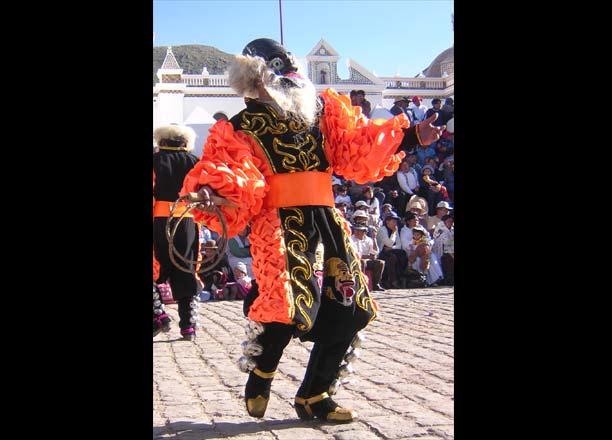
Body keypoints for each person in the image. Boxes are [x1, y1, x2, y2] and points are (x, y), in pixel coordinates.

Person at [181, 38, 444, 423]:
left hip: (326, 219)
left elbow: (355, 149)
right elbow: (234, 175)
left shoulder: (321, 114)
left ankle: (316, 394)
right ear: (256, 79)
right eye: (280, 72)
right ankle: (263, 368)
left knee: (350, 306)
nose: (292, 79)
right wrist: (210, 192)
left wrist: (407, 137)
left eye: (292, 71)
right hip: (281, 220)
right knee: (287, 304)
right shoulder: (239, 127)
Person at [153, 124, 202, 341]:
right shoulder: (196, 162)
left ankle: (158, 315)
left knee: (155, 267)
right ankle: (188, 326)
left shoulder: (154, 160)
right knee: (186, 268)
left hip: (158, 220)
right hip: (187, 222)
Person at [376, 211, 408, 289]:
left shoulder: (395, 230)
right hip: (381, 253)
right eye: (393, 221)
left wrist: (392, 248)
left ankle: (400, 277)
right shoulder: (382, 230)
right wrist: (393, 233)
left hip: (391, 251)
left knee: (403, 254)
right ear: (387, 221)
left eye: (396, 221)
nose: (395, 223)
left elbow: (399, 245)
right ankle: (391, 281)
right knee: (392, 257)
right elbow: (389, 243)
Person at [350, 223, 385, 292]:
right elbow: (355, 254)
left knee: (380, 263)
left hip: (367, 260)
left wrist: (374, 238)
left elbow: (375, 252)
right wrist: (367, 256)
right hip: (355, 260)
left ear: (364, 232)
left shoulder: (369, 240)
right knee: (362, 262)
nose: (356, 232)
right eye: (356, 230)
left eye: (359, 230)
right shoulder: (351, 239)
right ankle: (361, 284)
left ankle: (376, 284)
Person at [433, 214, 454, 285]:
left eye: (452, 221)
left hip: (450, 251)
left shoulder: (451, 229)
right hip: (442, 253)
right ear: (444, 222)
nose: (451, 223)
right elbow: (447, 245)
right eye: (449, 221)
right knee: (449, 259)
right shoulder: (440, 229)